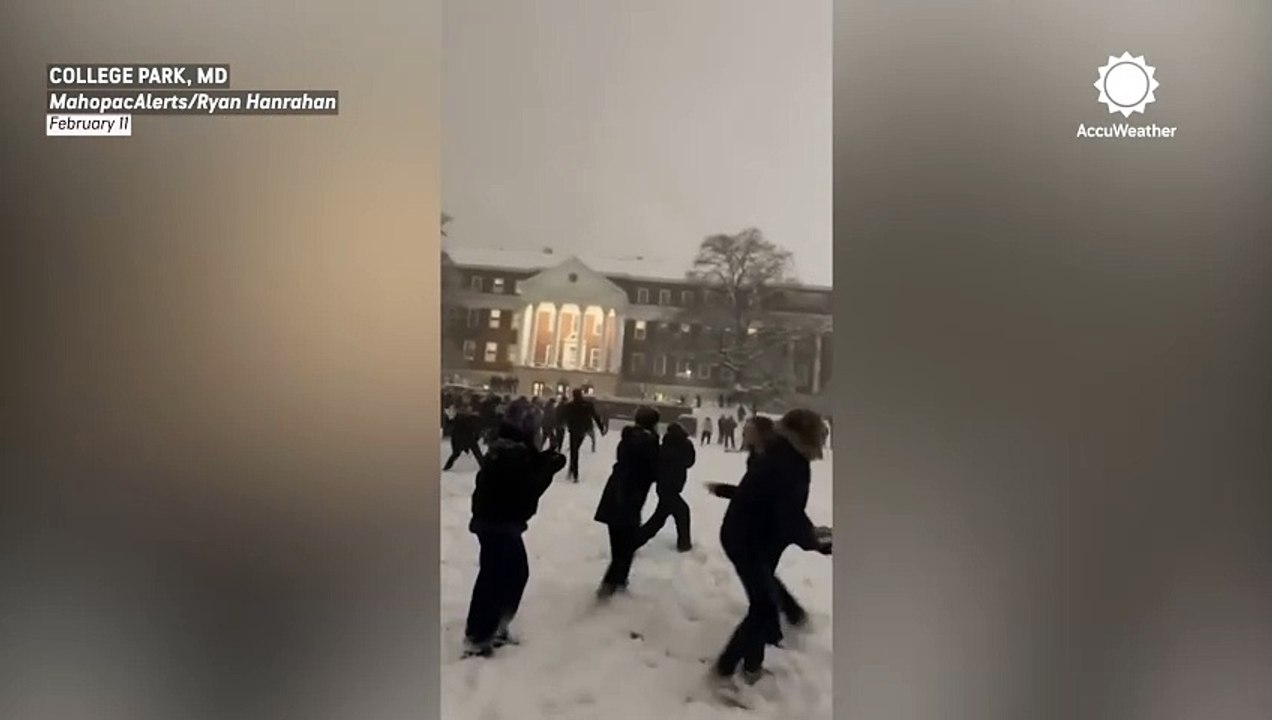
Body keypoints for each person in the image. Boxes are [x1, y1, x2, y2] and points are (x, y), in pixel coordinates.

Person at [708, 409, 831, 684]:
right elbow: (789, 515)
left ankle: (752, 666)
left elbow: (783, 507)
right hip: (749, 540)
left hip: (757, 537)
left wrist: (812, 533)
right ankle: (723, 672)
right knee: (763, 608)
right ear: (806, 436)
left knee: (762, 605)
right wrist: (816, 542)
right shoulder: (790, 463)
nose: (822, 442)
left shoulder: (781, 453)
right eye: (819, 436)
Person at [463, 413, 567, 657]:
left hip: (491, 523)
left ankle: (486, 630)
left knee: (498, 576)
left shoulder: (503, 453)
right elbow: (526, 491)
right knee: (503, 578)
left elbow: (518, 480)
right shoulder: (513, 456)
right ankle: (482, 636)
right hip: (501, 525)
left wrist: (542, 462)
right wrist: (548, 470)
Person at [593, 406, 661, 598]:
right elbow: (653, 470)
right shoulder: (647, 442)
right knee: (625, 546)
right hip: (629, 497)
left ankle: (616, 583)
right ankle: (609, 587)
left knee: (620, 544)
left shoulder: (630, 437)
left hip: (616, 493)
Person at [638, 421, 696, 552]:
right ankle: (684, 544)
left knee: (661, 517)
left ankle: (636, 540)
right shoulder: (683, 445)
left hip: (665, 487)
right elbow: (689, 462)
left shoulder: (665, 445)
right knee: (680, 513)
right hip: (670, 488)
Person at [559, 389, 607, 481]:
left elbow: (563, 416)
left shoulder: (569, 406)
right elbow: (595, 416)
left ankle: (573, 471)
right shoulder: (588, 405)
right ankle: (573, 470)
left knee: (574, 451)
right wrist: (601, 428)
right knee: (575, 449)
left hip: (573, 429)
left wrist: (560, 424)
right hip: (583, 429)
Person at [443, 400, 485, 471]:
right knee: (476, 453)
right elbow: (475, 428)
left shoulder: (460, 418)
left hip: (463, 438)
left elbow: (454, 429)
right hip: (467, 438)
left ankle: (447, 466)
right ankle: (484, 466)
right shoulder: (468, 418)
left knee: (457, 453)